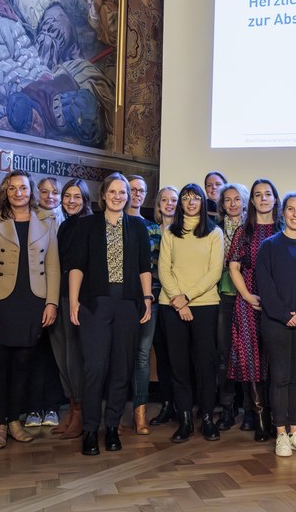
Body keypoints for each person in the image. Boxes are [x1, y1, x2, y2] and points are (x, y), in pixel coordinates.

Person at [67, 173, 154, 455]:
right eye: (113, 192)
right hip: (95, 304)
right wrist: (73, 300)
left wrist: (148, 298)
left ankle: (113, 427)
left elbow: (144, 267)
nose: (118, 196)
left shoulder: (138, 227)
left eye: (123, 192)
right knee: (95, 368)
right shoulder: (87, 225)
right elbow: (77, 266)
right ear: (103, 195)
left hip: (128, 305)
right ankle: (91, 430)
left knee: (121, 369)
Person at [0, 170, 60, 449]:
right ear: (5, 192)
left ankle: (14, 421)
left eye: (23, 188)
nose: (18, 193)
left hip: (32, 302)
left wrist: (51, 302)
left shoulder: (46, 223)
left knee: (23, 365)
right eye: (12, 188)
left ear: (30, 191)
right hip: (0, 302)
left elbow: (54, 267)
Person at [158, 183, 224, 442]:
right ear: (181, 204)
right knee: (178, 364)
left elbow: (214, 272)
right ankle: (185, 418)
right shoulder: (169, 233)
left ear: (202, 202)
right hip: (171, 306)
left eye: (195, 197)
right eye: (186, 198)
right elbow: (164, 269)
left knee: (206, 364)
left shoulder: (214, 233)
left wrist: (187, 297)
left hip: (204, 305)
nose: (191, 201)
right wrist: (178, 300)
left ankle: (207, 417)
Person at [258, 192, 296, 457]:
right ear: (283, 213)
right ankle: (280, 434)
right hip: (275, 322)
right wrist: (284, 315)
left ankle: (295, 431)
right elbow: (265, 287)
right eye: (290, 209)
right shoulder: (269, 246)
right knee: (280, 378)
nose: (295, 214)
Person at [228, 179, 280, 441]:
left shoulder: (284, 228)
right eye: (258, 195)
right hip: (249, 303)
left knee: (275, 360)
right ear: (253, 201)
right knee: (252, 359)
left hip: (278, 305)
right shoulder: (243, 232)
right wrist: (247, 295)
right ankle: (260, 419)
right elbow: (234, 267)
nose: (263, 198)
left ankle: (276, 418)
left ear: (275, 198)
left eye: (267, 194)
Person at [51, 178, 92, 439]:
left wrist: (76, 300)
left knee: (75, 357)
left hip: (80, 299)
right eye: (68, 196)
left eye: (77, 196)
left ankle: (81, 413)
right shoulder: (64, 225)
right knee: (62, 356)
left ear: (85, 199)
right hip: (59, 295)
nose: (72, 201)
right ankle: (72, 408)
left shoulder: (90, 224)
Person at [25, 176, 64, 429]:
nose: (50, 196)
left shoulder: (68, 220)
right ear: (37, 193)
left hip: (61, 295)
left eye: (55, 192)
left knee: (55, 354)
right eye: (45, 191)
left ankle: (52, 405)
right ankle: (31, 407)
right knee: (32, 352)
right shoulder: (27, 219)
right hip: (34, 293)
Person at [126, 174, 160, 435]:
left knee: (141, 354)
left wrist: (150, 295)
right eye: (132, 189)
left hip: (150, 298)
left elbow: (156, 267)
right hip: (118, 300)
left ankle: (140, 413)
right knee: (118, 354)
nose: (137, 194)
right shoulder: (111, 224)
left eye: (141, 190)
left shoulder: (154, 228)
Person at [216, 182, 249, 430]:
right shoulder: (214, 230)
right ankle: (227, 408)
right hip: (223, 298)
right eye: (227, 199)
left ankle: (251, 409)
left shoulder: (253, 230)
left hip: (248, 299)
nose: (233, 203)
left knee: (249, 355)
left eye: (237, 199)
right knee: (224, 356)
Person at [148, 185, 179, 427]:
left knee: (180, 355)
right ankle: (167, 404)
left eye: (173, 200)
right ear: (158, 205)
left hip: (179, 300)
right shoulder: (148, 231)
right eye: (164, 200)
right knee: (163, 355)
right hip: (155, 298)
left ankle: (183, 405)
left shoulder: (186, 232)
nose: (169, 204)